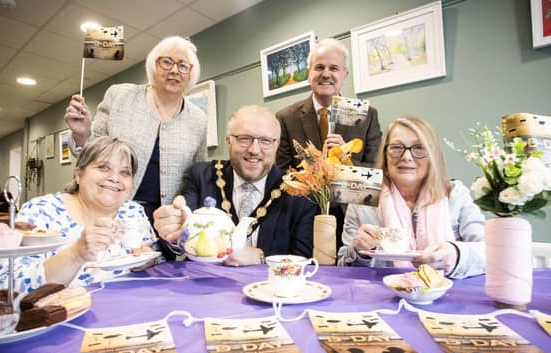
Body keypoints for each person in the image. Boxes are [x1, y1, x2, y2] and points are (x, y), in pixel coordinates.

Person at [64, 36, 208, 223]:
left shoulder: (199, 119)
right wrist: (81, 134)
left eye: (183, 65)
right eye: (166, 62)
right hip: (106, 210)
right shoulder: (120, 96)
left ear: (191, 73)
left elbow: (197, 174)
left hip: (163, 222)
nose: (174, 70)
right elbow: (91, 152)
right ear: (153, 66)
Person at [0, 137, 157, 294]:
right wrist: (76, 254)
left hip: (130, 312)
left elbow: (155, 259)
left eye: (125, 172)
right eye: (103, 167)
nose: (115, 178)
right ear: (78, 174)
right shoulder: (41, 211)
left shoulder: (133, 211)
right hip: (62, 319)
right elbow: (3, 287)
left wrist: (148, 261)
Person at [153, 105, 317, 266]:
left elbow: (303, 259)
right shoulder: (201, 176)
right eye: (244, 139)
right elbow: (180, 235)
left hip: (268, 288)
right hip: (205, 286)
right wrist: (173, 233)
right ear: (228, 141)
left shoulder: (298, 191)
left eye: (265, 141)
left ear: (276, 145)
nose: (254, 150)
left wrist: (261, 257)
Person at [338, 116, 486, 279]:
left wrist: (456, 255)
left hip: (448, 295)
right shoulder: (363, 201)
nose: (407, 157)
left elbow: (489, 252)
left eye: (418, 148)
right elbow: (344, 267)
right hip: (383, 297)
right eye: (396, 147)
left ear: (432, 155)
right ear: (385, 155)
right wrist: (359, 252)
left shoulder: (455, 194)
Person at [275, 38, 382, 253]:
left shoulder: (366, 115)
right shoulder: (287, 118)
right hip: (304, 221)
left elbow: (375, 170)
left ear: (345, 75)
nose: (326, 74)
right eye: (319, 67)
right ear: (309, 73)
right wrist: (315, 171)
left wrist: (345, 160)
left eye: (334, 68)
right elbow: (282, 175)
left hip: (352, 221)